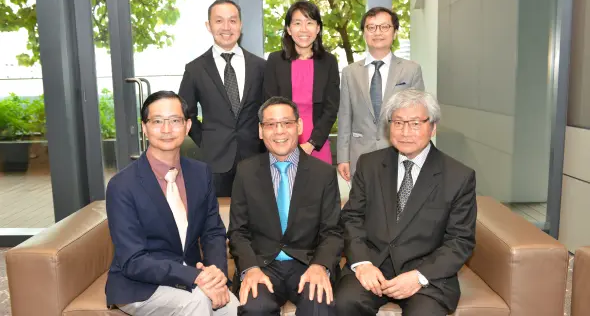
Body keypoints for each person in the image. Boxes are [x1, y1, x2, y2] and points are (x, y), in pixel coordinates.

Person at [335, 89, 477, 315]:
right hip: (374, 266)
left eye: (415, 123)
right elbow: (352, 217)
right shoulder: (369, 164)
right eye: (398, 122)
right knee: (344, 302)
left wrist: (419, 276)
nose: (405, 132)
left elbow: (460, 240)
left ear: (433, 127)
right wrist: (362, 263)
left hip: (426, 275)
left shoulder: (458, 176)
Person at [105, 91, 238, 315]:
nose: (167, 129)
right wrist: (194, 278)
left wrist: (215, 272)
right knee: (197, 301)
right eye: (157, 121)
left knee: (234, 308)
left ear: (187, 126)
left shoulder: (200, 172)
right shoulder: (122, 185)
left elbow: (212, 231)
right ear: (144, 128)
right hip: (141, 286)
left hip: (195, 278)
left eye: (175, 121)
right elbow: (133, 260)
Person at [228, 97, 343, 315]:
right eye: (270, 124)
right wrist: (250, 268)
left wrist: (320, 265)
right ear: (261, 131)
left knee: (318, 305)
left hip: (308, 263)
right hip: (262, 265)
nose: (279, 131)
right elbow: (237, 231)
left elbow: (333, 231)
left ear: (299, 127)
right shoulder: (246, 171)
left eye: (287, 123)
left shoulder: (323, 173)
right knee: (254, 308)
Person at [179, 0, 266, 197]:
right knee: (217, 220)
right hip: (214, 161)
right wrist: (206, 140)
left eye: (232, 20)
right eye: (219, 21)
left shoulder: (260, 66)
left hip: (255, 158)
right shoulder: (195, 69)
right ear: (208, 26)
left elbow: (267, 109)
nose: (226, 27)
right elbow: (186, 112)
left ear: (240, 25)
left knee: (258, 219)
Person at [337, 6, 425, 181]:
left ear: (395, 32)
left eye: (384, 27)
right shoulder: (350, 72)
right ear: (364, 33)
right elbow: (345, 117)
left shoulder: (411, 70)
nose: (378, 32)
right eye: (371, 27)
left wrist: (416, 154)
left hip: (399, 151)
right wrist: (342, 157)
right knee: (363, 205)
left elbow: (418, 116)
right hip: (359, 155)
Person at [263, 0, 339, 165]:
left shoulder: (329, 62)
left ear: (318, 28)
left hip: (317, 143)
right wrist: (287, 144)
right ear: (289, 29)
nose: (304, 29)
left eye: (309, 23)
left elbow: (331, 108)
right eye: (297, 23)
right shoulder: (275, 60)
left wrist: (311, 144)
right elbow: (269, 105)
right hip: (281, 140)